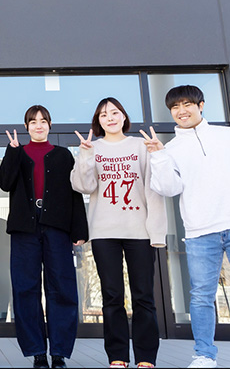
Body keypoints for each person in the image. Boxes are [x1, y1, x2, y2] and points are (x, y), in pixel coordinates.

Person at [141, 85, 230, 369]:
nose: (181, 111)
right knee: (201, 297)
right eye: (175, 107)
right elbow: (168, 188)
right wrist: (158, 155)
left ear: (201, 105)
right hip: (200, 232)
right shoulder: (171, 149)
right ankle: (204, 355)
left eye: (187, 104)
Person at [70, 98, 166, 369]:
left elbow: (154, 190)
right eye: (103, 115)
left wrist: (157, 232)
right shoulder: (93, 147)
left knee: (143, 295)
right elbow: (82, 186)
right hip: (104, 232)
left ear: (124, 116)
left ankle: (146, 358)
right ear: (98, 121)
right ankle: (117, 357)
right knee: (111, 296)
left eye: (114, 112)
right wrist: (85, 155)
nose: (109, 118)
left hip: (140, 231)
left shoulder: (140, 145)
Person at [0, 105, 88, 369]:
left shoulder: (63, 155)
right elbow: (4, 182)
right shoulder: (18, 152)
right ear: (26, 126)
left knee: (62, 287)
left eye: (43, 121)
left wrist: (79, 230)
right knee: (26, 288)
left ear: (50, 125)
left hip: (57, 227)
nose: (38, 125)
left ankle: (59, 353)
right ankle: (37, 352)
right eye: (33, 121)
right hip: (24, 229)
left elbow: (75, 194)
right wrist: (12, 152)